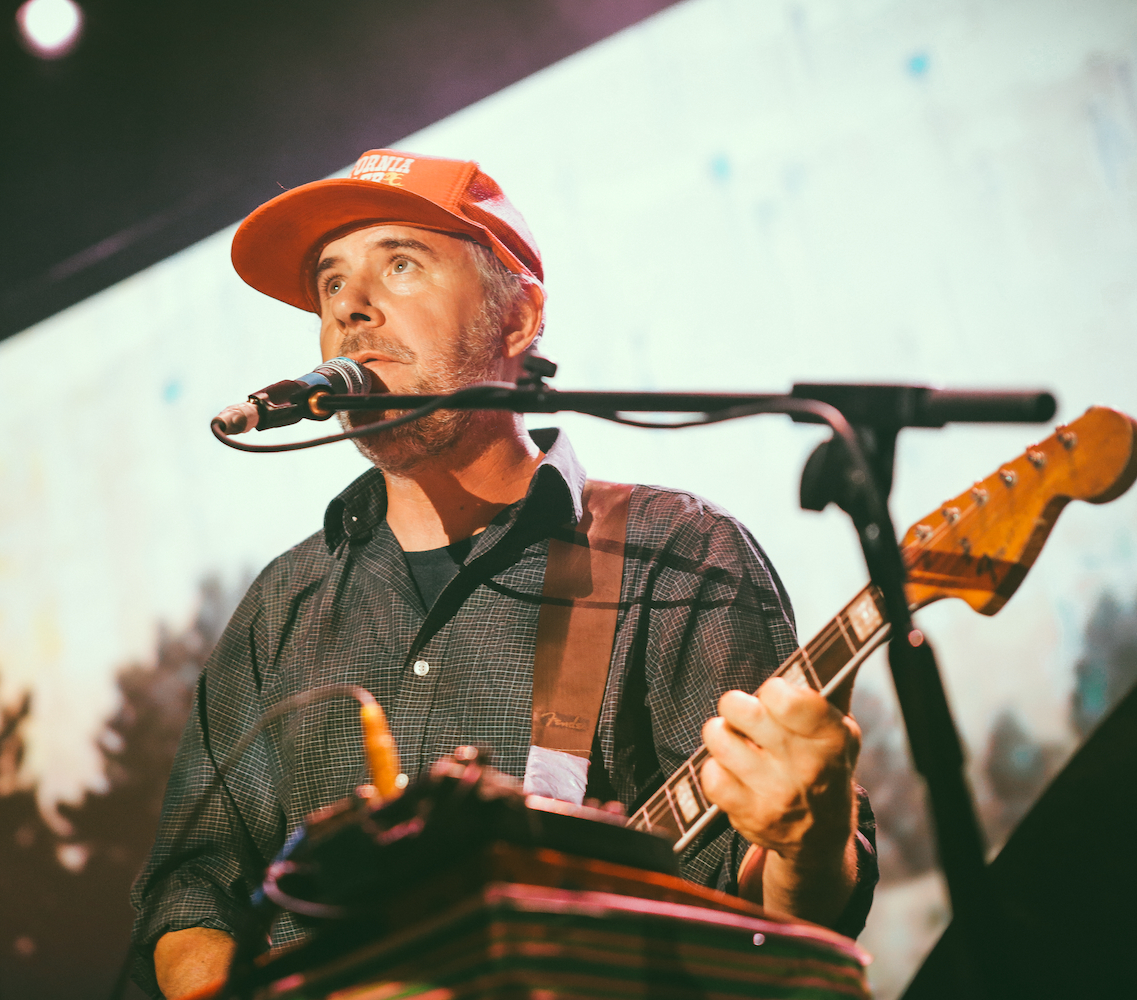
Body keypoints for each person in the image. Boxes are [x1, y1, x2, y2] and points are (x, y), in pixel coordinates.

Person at [130, 149, 877, 999]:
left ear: (517, 318)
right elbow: (194, 885)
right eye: (331, 283)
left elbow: (772, 913)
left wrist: (810, 845)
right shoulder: (282, 605)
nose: (350, 308)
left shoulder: (675, 553)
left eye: (400, 264)